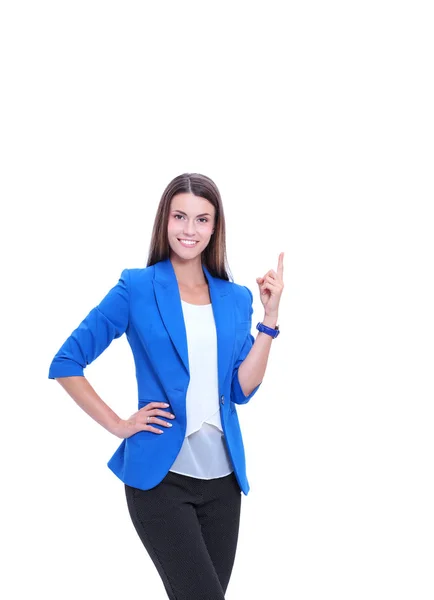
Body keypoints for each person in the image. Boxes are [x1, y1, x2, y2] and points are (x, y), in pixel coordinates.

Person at [48, 172, 284, 600]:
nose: (189, 230)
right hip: (161, 479)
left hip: (224, 482)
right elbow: (66, 362)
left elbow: (241, 389)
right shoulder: (136, 288)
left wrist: (269, 319)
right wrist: (119, 424)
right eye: (180, 216)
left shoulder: (235, 298)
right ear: (165, 220)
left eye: (202, 219)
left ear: (215, 227)